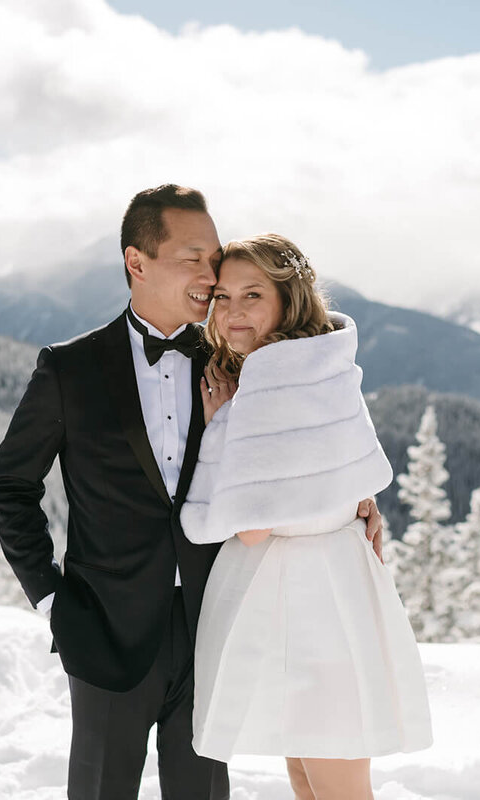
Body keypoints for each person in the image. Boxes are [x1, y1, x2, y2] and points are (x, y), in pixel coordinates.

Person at [0, 185, 387, 800]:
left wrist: (350, 498)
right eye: (193, 258)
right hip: (105, 628)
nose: (210, 276)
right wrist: (49, 599)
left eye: (215, 259)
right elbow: (12, 486)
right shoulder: (70, 369)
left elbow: (307, 429)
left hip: (216, 620)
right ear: (137, 262)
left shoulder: (239, 355)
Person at [181, 233, 433, 800]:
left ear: (286, 300)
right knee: (313, 768)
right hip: (330, 581)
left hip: (308, 599)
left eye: (253, 296)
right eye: (223, 297)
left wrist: (223, 425)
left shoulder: (269, 387)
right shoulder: (321, 365)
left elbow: (250, 524)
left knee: (328, 772)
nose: (233, 311)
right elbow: (348, 469)